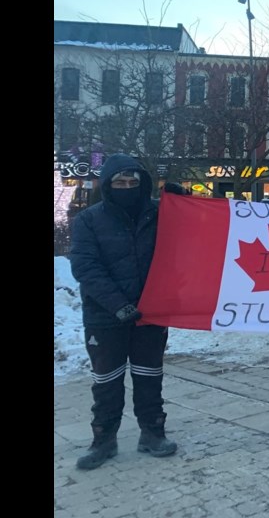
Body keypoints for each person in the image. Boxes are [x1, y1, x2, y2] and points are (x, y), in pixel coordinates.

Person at [69, 154, 186, 470]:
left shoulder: (158, 215)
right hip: (105, 316)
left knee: (150, 377)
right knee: (106, 381)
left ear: (142, 183)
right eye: (120, 182)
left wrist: (182, 204)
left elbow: (191, 237)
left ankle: (152, 433)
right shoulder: (88, 220)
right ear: (108, 185)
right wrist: (118, 304)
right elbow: (85, 266)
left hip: (149, 314)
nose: (127, 187)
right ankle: (103, 440)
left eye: (133, 182)